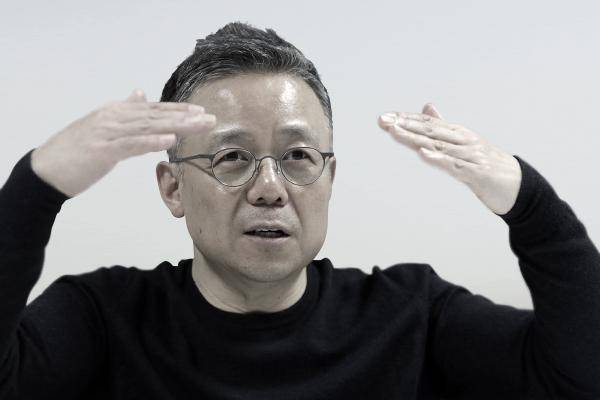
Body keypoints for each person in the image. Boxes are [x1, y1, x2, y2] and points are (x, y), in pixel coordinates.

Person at [0, 21, 598, 400]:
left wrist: (528, 202)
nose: (270, 188)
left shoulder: (412, 316)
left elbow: (578, 377)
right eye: (233, 156)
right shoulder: (103, 319)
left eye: (297, 156)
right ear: (173, 188)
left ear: (329, 178)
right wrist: (37, 185)